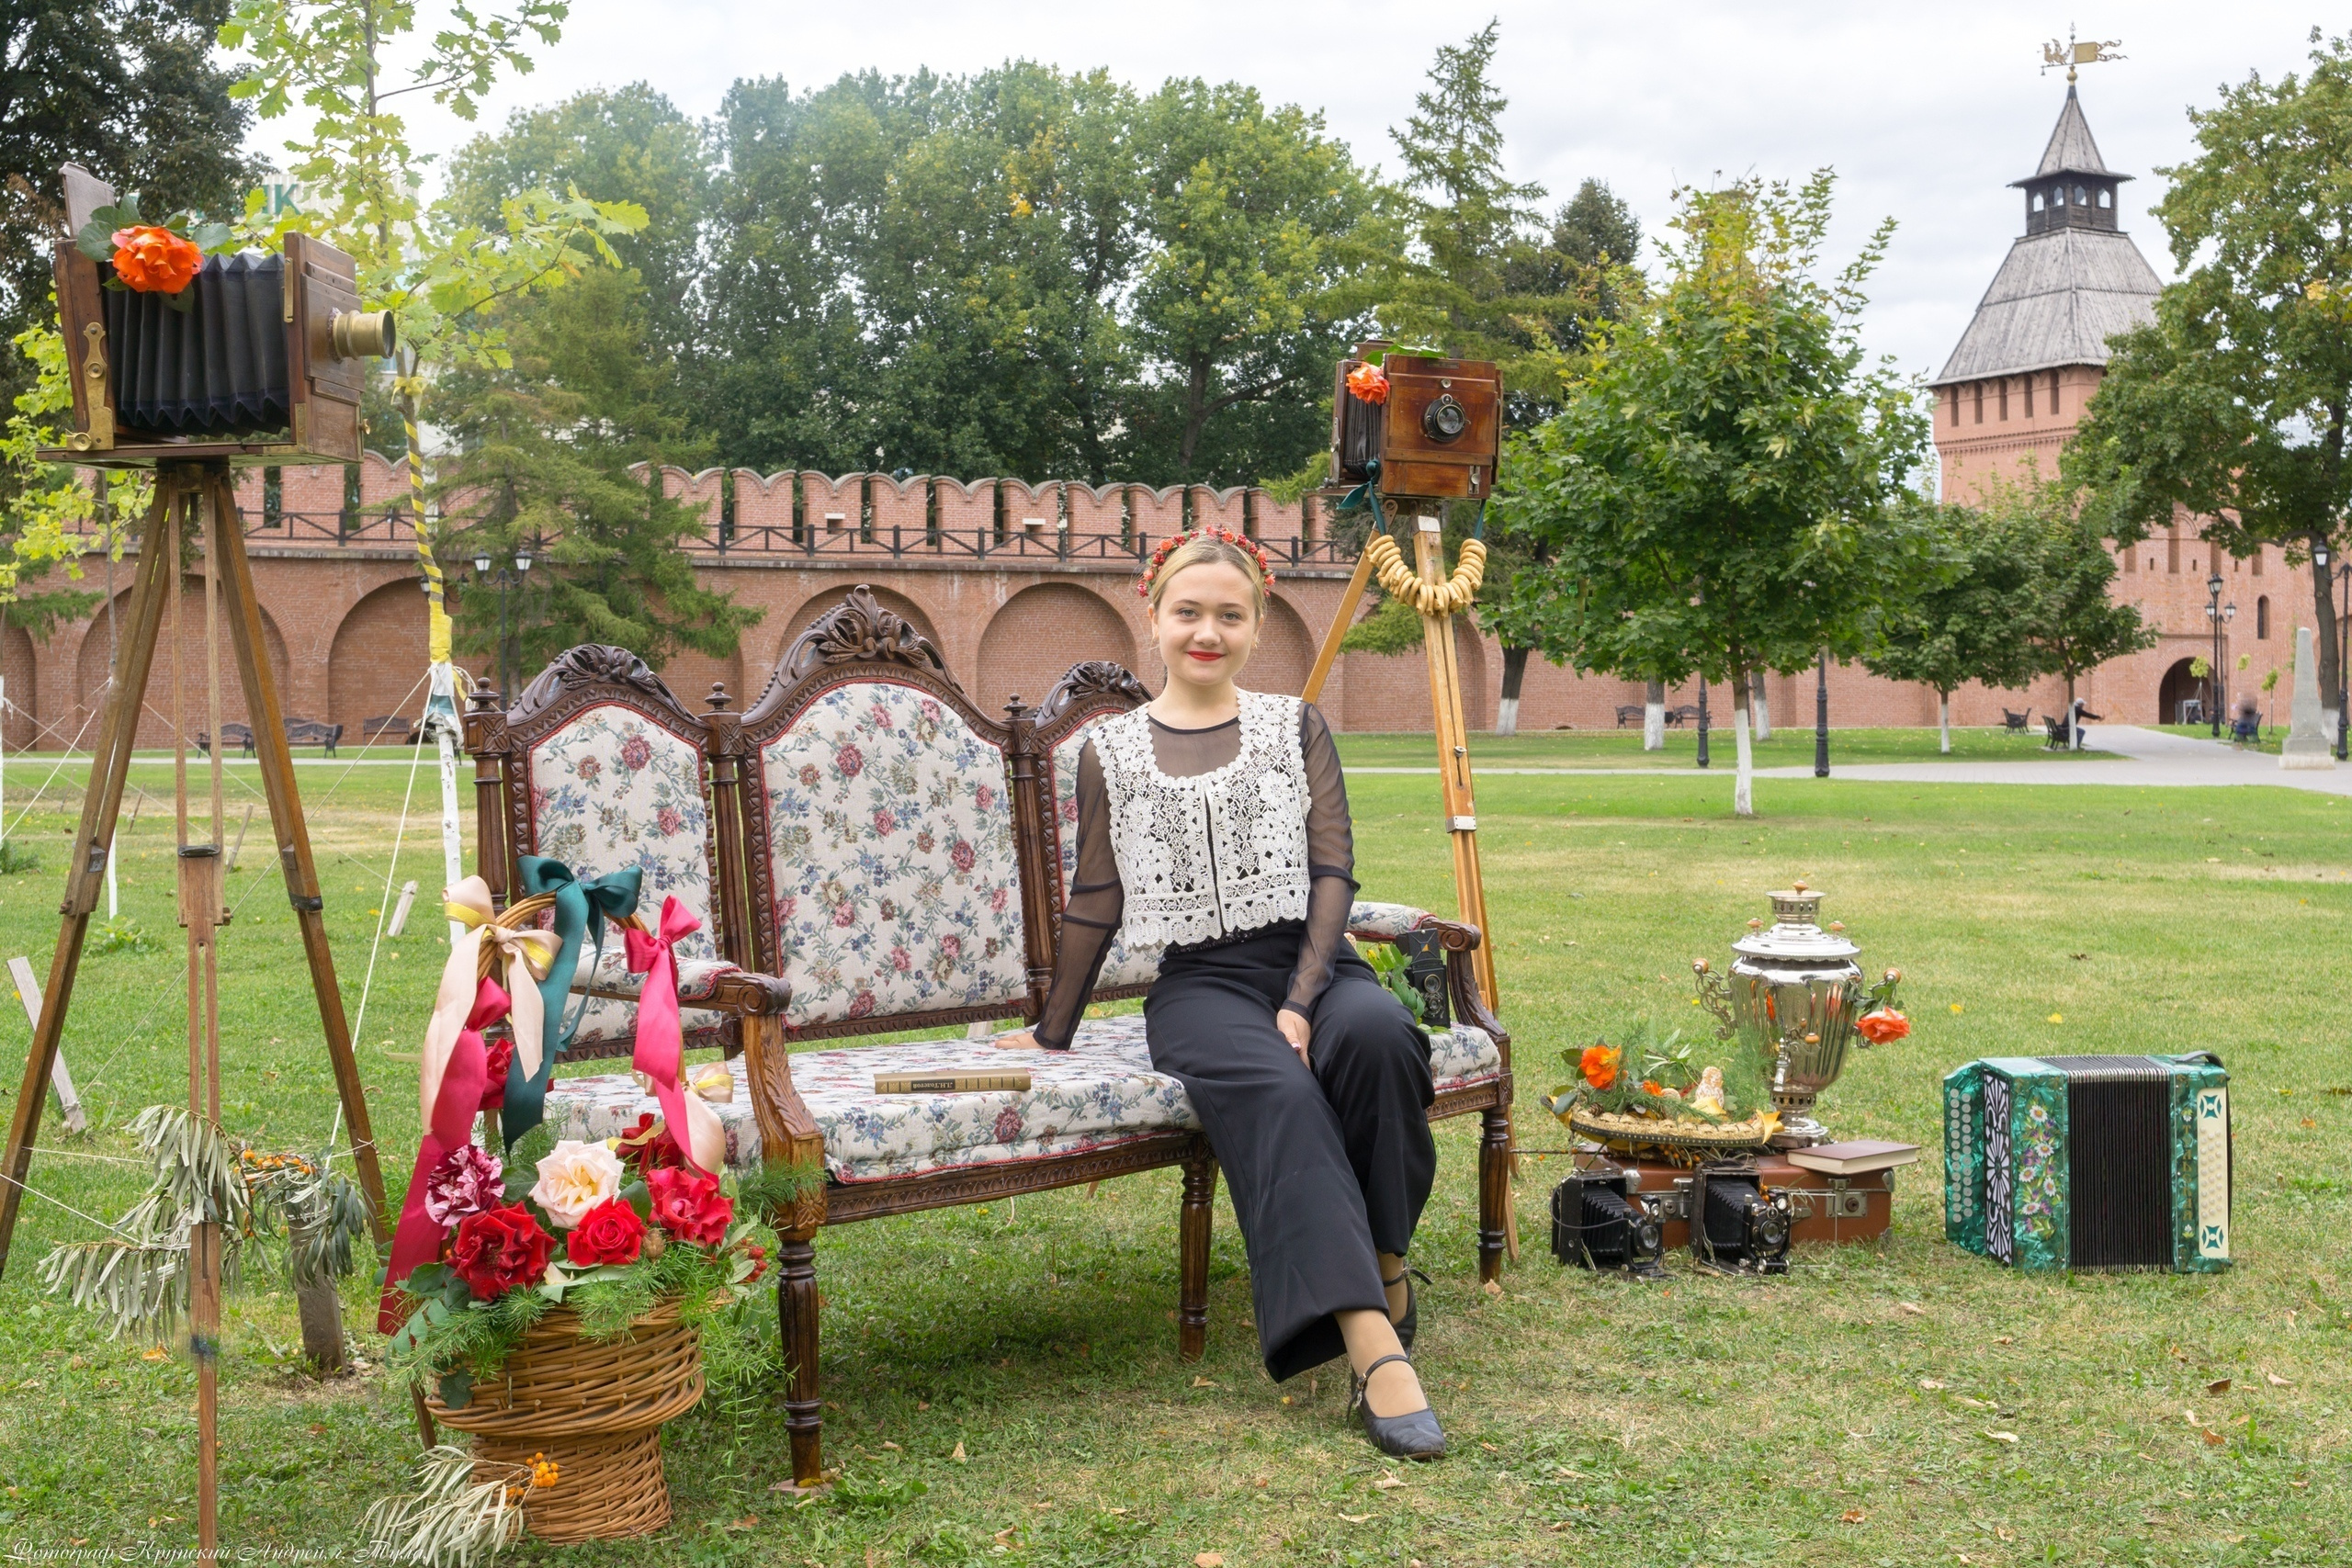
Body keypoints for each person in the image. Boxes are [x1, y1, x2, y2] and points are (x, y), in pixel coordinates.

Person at [991, 528, 1447, 1461]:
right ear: (1152, 617)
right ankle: (1372, 1344)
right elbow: (1096, 896)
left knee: (1379, 1040)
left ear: (1255, 623)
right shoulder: (1108, 751)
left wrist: (1303, 996)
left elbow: (1332, 870)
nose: (1207, 630)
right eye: (1188, 612)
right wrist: (1052, 1031)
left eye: (1228, 615)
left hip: (1313, 961)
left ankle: (1388, 1260)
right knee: (1277, 1093)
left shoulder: (1294, 724)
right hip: (1199, 987)